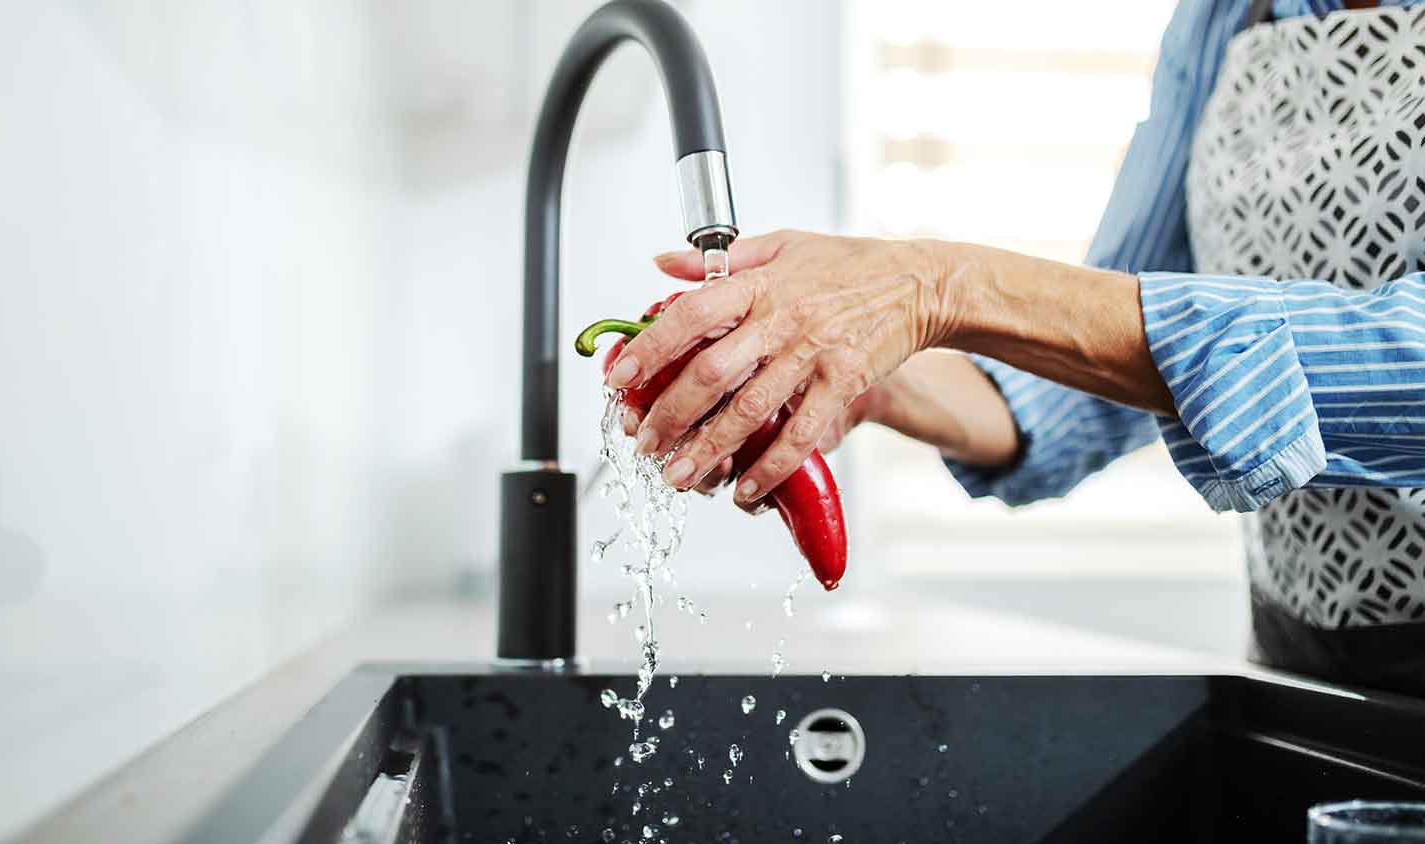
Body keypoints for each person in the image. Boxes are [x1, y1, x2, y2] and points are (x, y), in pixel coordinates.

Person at [608, 0, 1425, 694]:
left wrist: (940, 284)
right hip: (1303, 672)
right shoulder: (1223, 14)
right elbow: (1098, 353)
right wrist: (877, 376)